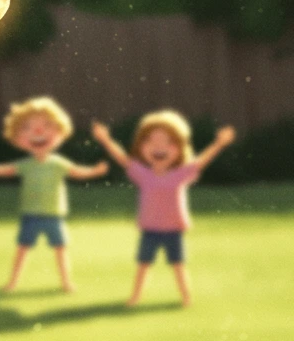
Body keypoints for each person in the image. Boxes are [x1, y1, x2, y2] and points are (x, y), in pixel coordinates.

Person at [91, 112, 235, 307]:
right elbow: (123, 159)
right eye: (151, 141)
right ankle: (135, 296)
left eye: (168, 142)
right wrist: (106, 140)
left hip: (173, 230)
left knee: (178, 265)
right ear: (141, 146)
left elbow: (200, 162)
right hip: (150, 229)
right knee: (143, 264)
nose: (159, 148)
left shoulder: (180, 174)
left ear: (180, 146)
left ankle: (186, 297)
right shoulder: (143, 174)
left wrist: (219, 144)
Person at [0, 97, 108, 293]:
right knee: (22, 249)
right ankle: (12, 282)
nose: (38, 132)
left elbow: (77, 172)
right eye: (28, 127)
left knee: (61, 249)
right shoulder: (26, 165)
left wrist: (94, 172)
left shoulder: (57, 164)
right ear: (17, 136)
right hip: (31, 215)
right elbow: (7, 170)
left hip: (53, 215)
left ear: (60, 131)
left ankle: (66, 282)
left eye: (46, 126)